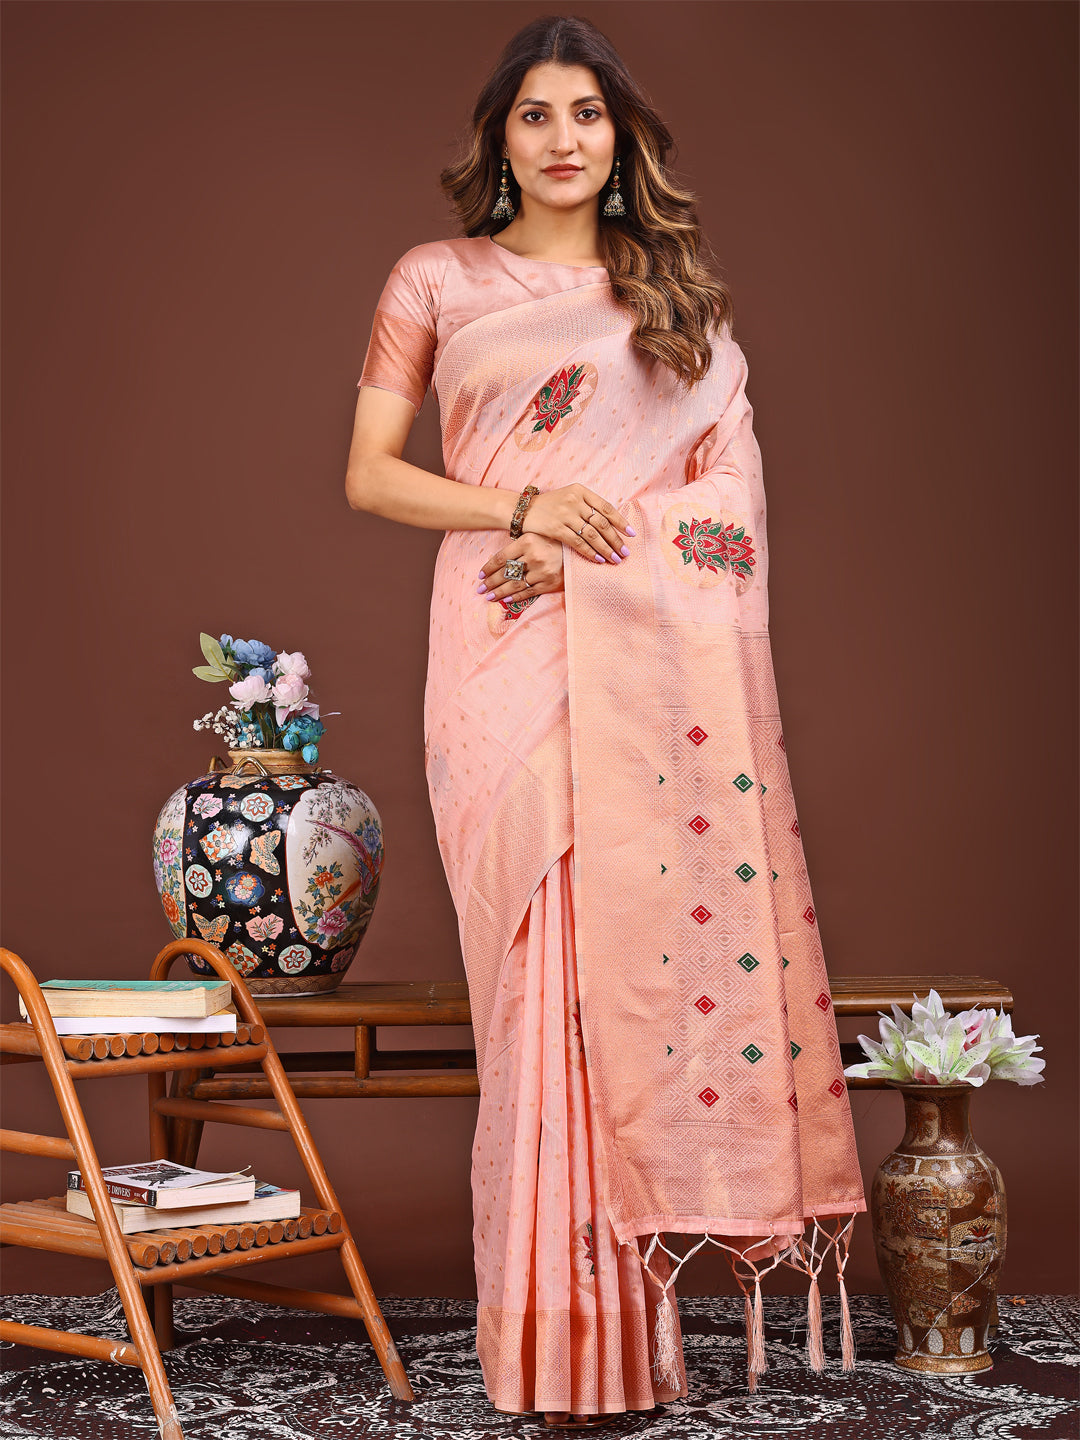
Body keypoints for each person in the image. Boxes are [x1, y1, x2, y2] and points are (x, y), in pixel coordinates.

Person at [345, 14, 865, 1428]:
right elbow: (372, 477)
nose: (563, 138)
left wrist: (596, 550)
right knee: (534, 983)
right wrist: (523, 507)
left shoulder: (675, 301)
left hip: (632, 666)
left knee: (615, 972)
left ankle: (621, 1345)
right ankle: (549, 1341)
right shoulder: (437, 278)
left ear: (623, 138)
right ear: (499, 138)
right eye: (535, 115)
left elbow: (730, 513)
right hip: (497, 652)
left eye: (588, 113)